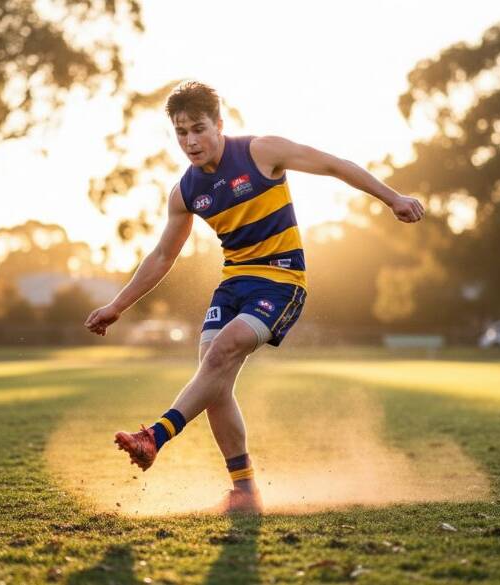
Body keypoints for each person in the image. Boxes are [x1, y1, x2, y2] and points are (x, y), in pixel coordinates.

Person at [84, 81, 424, 514]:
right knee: (213, 377)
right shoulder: (185, 192)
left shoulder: (262, 152)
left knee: (221, 353)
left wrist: (392, 198)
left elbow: (335, 165)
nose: (190, 141)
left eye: (199, 129)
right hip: (234, 283)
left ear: (220, 124)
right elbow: (162, 255)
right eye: (181, 132)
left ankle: (156, 435)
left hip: (282, 281)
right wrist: (116, 307)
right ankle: (245, 491)